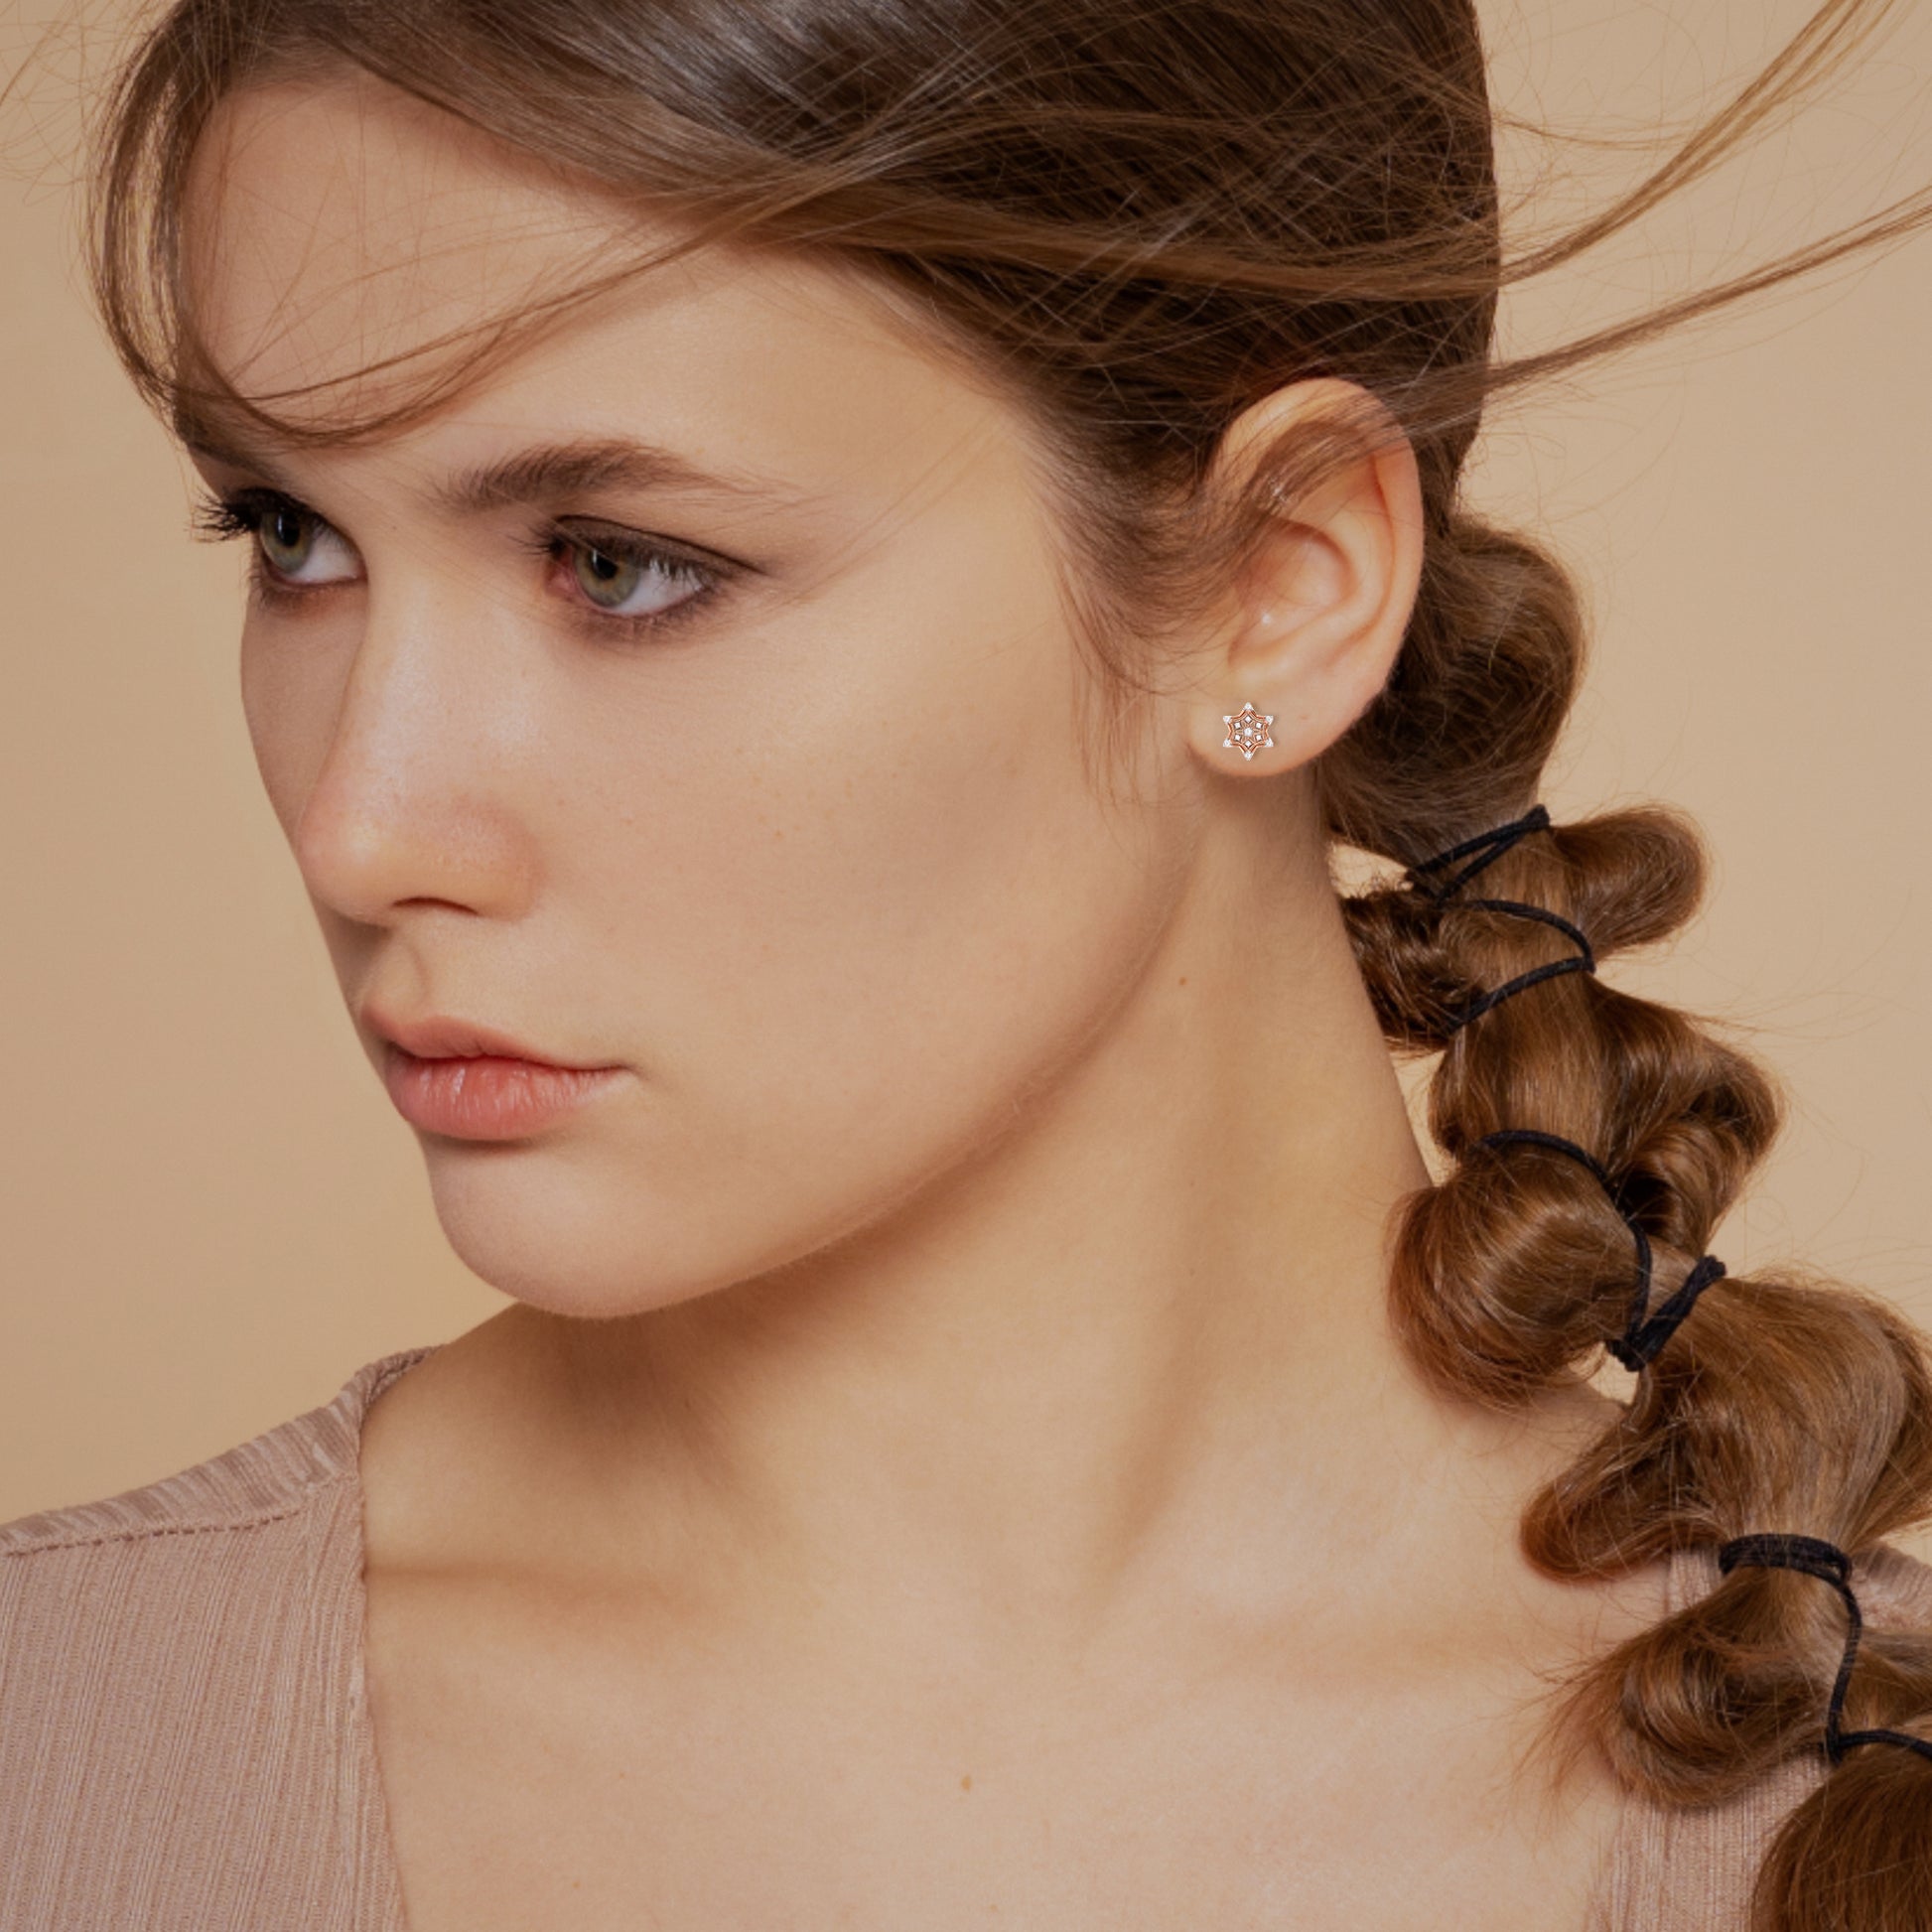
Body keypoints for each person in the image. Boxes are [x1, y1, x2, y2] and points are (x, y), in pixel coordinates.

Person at [4, 1, 1931, 1926]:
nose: (362, 821)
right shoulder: (56, 1746)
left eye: (619, 562)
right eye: (293, 535)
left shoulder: (1853, 1800)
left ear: (1278, 578)